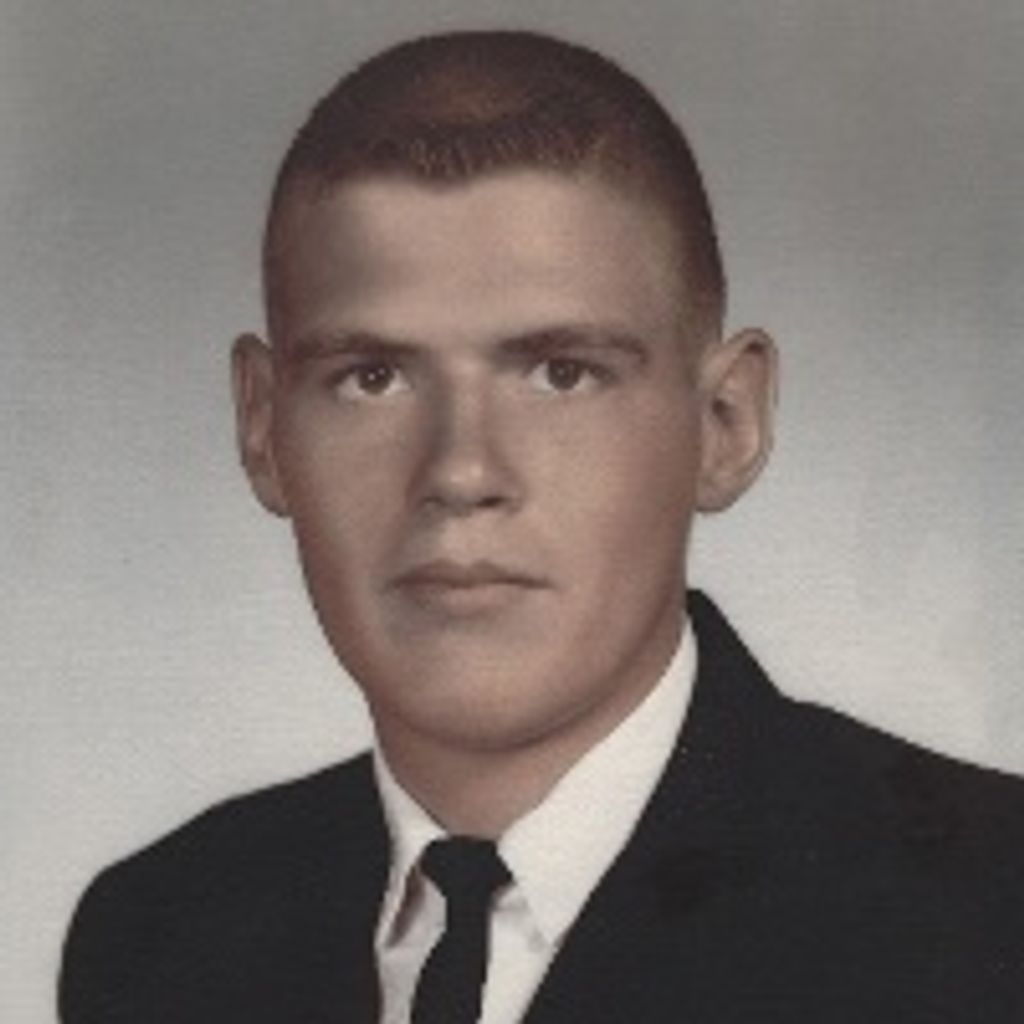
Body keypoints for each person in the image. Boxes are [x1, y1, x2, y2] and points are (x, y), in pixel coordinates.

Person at [59, 29, 1024, 1024]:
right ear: (263, 430)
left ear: (725, 424)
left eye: (562, 373)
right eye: (372, 378)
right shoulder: (161, 933)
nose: (461, 472)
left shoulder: (989, 913)